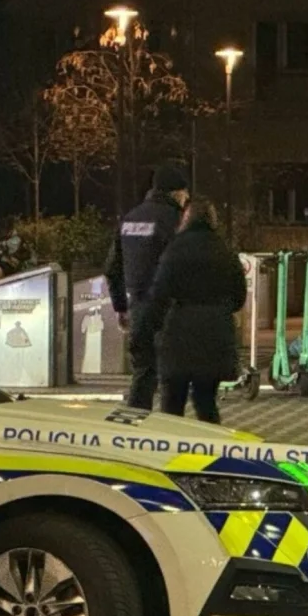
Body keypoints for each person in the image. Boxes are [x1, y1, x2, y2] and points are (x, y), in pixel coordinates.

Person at [137, 197, 246, 425]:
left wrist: (146, 331)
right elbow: (239, 296)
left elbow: (159, 294)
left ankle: (169, 453)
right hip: (215, 336)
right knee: (206, 402)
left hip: (179, 335)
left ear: (186, 219)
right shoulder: (224, 250)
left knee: (172, 403)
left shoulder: (175, 250)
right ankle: (210, 453)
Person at [106, 163, 190, 410]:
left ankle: (134, 435)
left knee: (143, 374)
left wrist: (121, 307)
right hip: (170, 311)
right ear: (177, 193)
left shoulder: (130, 219)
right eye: (185, 193)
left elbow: (112, 268)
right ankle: (168, 435)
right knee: (173, 378)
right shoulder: (177, 221)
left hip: (139, 309)